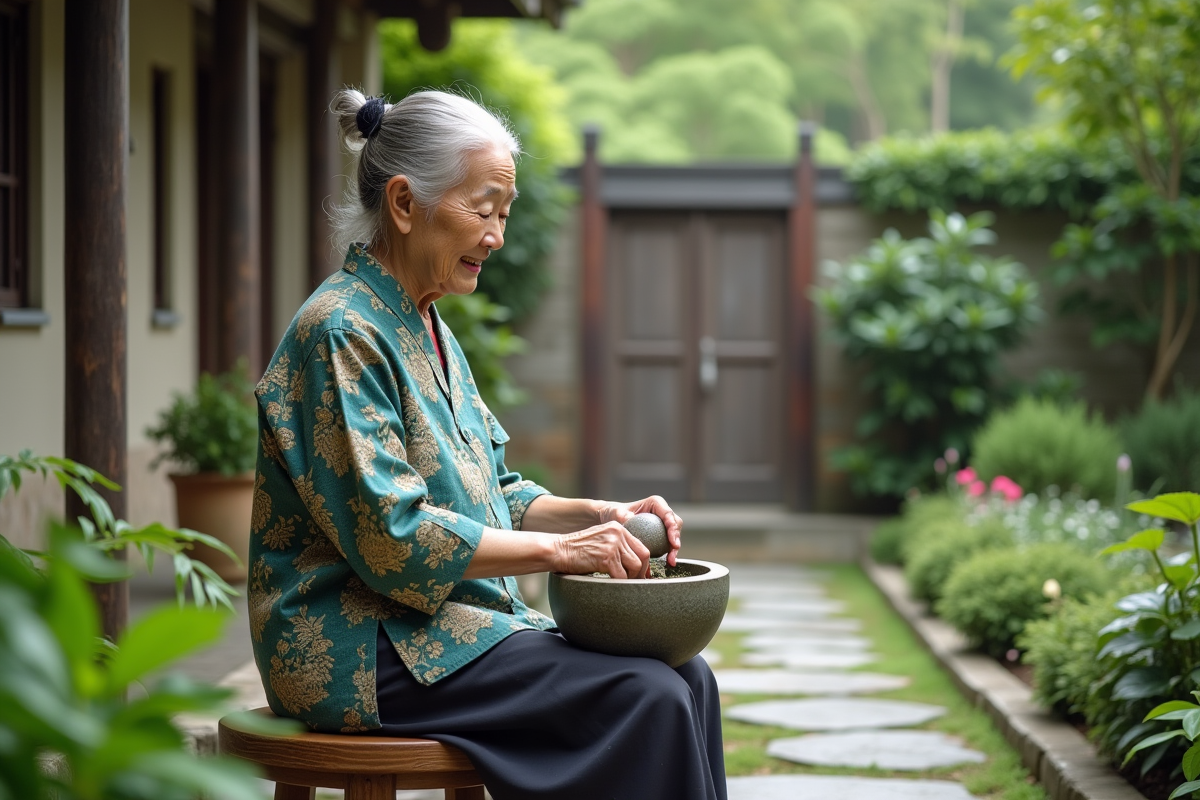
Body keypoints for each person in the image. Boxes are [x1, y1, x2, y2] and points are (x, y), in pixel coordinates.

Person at [248, 88, 727, 800]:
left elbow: (496, 491)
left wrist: (600, 517)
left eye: (505, 212)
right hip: (352, 639)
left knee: (689, 677)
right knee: (646, 696)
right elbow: (393, 538)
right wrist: (566, 554)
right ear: (406, 205)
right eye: (484, 207)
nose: (498, 235)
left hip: (438, 622)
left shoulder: (429, 326)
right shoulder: (341, 330)